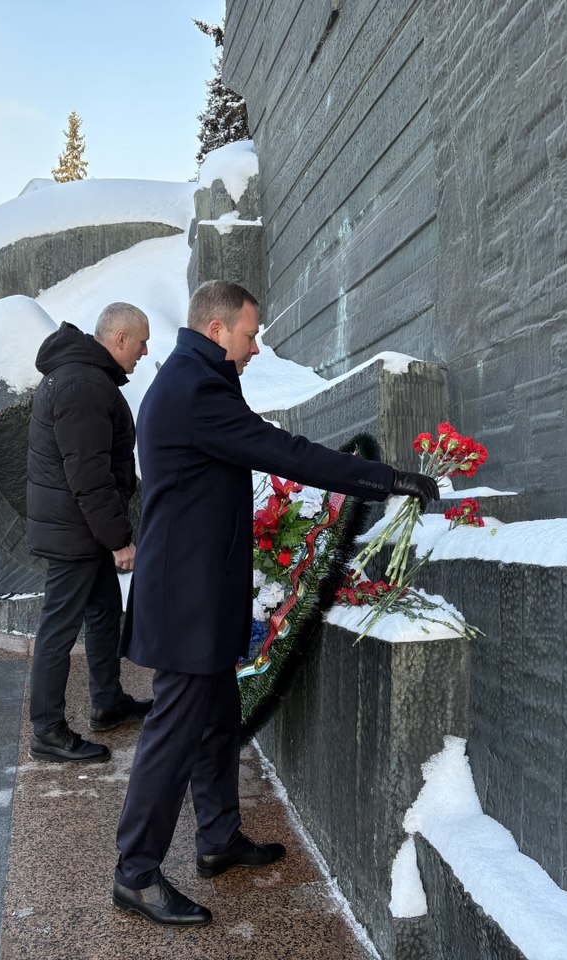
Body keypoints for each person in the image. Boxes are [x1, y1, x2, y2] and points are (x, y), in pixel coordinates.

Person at [112, 279, 438, 926]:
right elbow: (281, 451)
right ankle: (135, 873)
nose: (256, 347)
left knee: (215, 720)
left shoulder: (195, 378)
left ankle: (217, 838)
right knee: (173, 737)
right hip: (188, 601)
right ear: (216, 330)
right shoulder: (195, 389)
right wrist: (385, 479)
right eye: (249, 333)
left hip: (204, 590)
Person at [25, 304, 154, 764]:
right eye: (141, 342)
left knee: (102, 612)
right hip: (75, 530)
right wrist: (119, 538)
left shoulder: (84, 376)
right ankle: (47, 731)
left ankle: (107, 701)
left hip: (79, 527)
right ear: (119, 339)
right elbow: (89, 475)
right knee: (59, 628)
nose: (144, 351)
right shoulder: (83, 383)